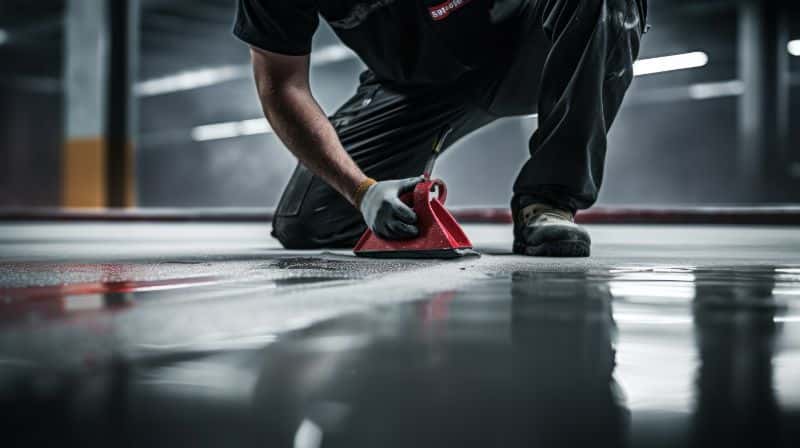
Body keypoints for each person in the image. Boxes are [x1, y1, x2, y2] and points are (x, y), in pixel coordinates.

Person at [234, 0, 647, 257]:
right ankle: (375, 194)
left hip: (520, 58)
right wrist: (361, 190)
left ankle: (550, 201)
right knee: (310, 221)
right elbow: (282, 87)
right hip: (411, 89)